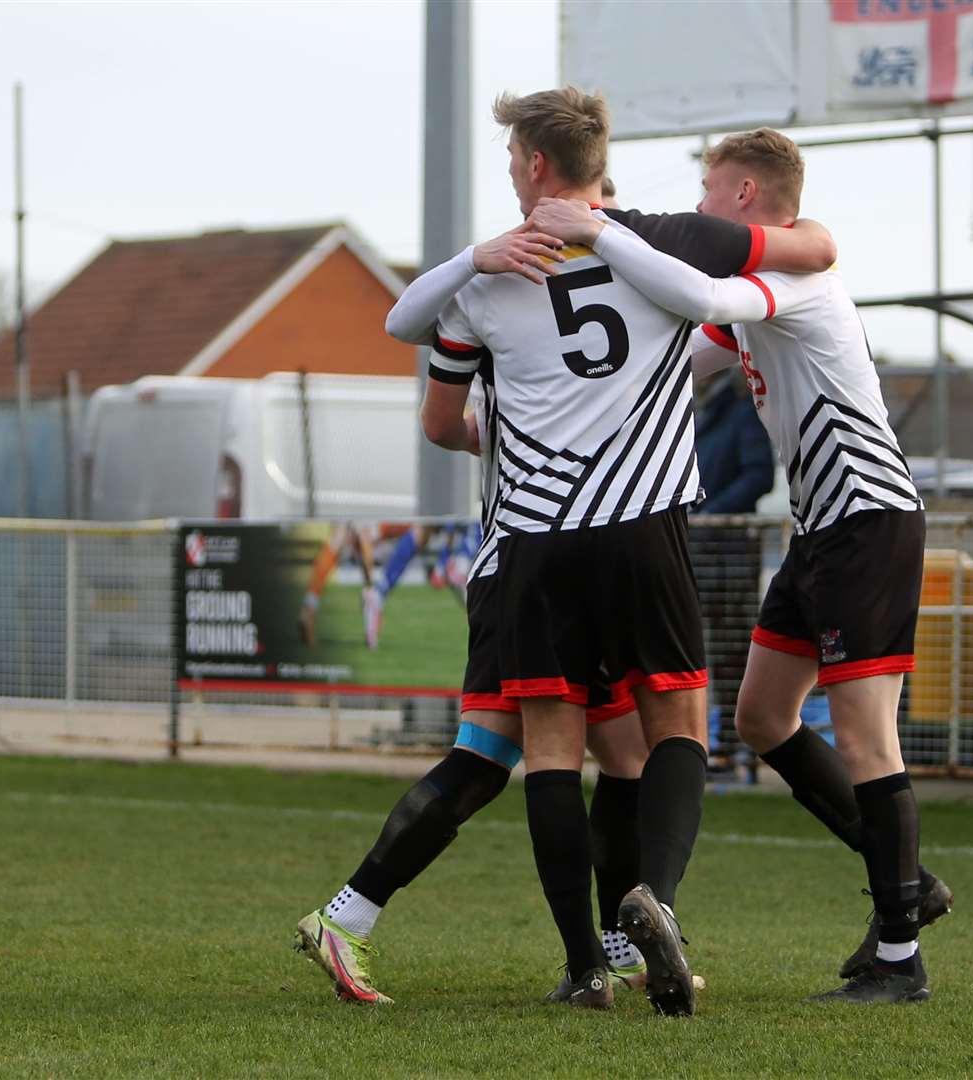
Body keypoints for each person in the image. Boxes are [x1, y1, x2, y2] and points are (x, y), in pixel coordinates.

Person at [391, 87, 836, 1017]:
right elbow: (815, 248)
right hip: (642, 523)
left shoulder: (486, 276)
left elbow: (416, 351)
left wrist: (476, 259)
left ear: (538, 165)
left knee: (552, 747)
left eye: (515, 156)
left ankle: (584, 967)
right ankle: (654, 903)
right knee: (678, 728)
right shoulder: (666, 238)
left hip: (537, 536)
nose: (511, 170)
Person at [529, 126, 948, 1004]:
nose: (701, 207)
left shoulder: (790, 278)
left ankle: (900, 956)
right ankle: (908, 882)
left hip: (867, 522)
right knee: (761, 717)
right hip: (821, 531)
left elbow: (699, 302)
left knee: (869, 736)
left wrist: (603, 230)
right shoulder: (765, 285)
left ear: (747, 196)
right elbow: (672, 353)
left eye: (711, 189)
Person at [296, 377, 657, 1011]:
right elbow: (443, 425)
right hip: (527, 569)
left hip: (564, 569)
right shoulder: (532, 343)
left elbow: (455, 429)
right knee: (491, 759)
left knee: (626, 753)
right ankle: (346, 917)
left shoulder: (528, 346)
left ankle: (619, 951)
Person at [690, 368, 774, 753]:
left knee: (730, 650)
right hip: (697, 549)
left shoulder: (740, 414)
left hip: (727, 554)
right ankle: (707, 741)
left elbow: (759, 475)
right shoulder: (696, 415)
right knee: (692, 646)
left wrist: (709, 515)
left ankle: (731, 743)